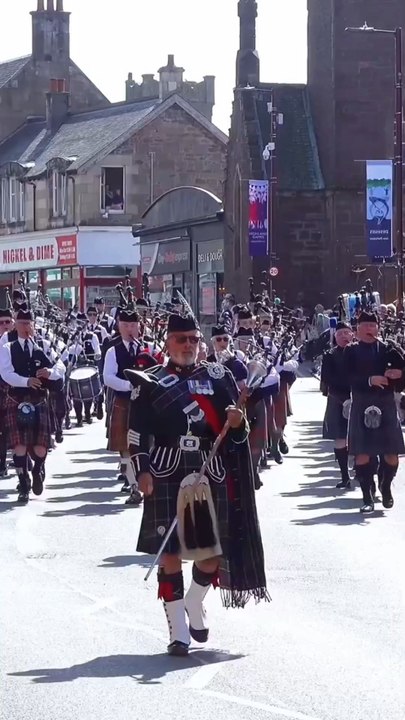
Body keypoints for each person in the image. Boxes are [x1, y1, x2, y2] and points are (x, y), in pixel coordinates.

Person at [126, 313, 269, 657]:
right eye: (181, 339)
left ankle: (194, 600)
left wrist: (237, 424)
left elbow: (238, 432)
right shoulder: (150, 381)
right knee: (170, 551)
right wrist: (141, 471)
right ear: (167, 343)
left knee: (209, 556)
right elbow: (135, 432)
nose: (188, 345)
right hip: (166, 468)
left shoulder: (219, 379)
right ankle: (178, 632)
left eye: (193, 339)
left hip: (209, 471)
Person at [0, 308, 65, 503]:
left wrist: (50, 373)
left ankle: (37, 470)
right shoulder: (7, 348)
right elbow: (5, 373)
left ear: (33, 325)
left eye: (28, 323)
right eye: (21, 323)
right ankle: (23, 483)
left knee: (40, 447)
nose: (25, 327)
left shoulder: (44, 346)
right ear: (15, 325)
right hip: (16, 399)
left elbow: (60, 364)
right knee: (19, 445)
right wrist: (26, 381)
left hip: (39, 400)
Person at [343, 311, 405, 513]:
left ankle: (385, 486)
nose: (370, 329)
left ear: (378, 327)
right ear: (357, 330)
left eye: (373, 325)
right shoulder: (350, 352)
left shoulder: (389, 349)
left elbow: (402, 370)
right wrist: (371, 380)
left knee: (392, 455)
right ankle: (367, 497)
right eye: (365, 326)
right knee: (362, 454)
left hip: (385, 403)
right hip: (362, 403)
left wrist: (399, 374)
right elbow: (346, 378)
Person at [104, 309, 157, 504]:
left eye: (133, 325)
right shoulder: (113, 350)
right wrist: (130, 385)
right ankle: (133, 486)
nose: (129, 329)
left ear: (139, 326)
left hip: (148, 402)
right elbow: (108, 377)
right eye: (125, 325)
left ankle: (147, 481)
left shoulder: (150, 347)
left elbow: (162, 367)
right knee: (125, 446)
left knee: (149, 443)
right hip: (125, 401)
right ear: (119, 326)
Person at [321, 321, 354, 488]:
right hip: (337, 399)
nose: (343, 336)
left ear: (352, 334)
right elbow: (327, 378)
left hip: (360, 398)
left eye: (346, 333)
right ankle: (345, 476)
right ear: (335, 337)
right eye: (340, 334)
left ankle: (364, 472)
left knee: (361, 437)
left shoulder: (358, 352)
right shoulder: (330, 355)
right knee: (340, 438)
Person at [68, 313, 101, 427]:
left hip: (88, 366)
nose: (81, 325)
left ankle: (87, 413)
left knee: (87, 392)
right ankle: (78, 418)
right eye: (79, 322)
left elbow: (98, 351)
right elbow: (68, 350)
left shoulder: (92, 336)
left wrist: (97, 355)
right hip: (76, 366)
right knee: (76, 394)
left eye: (83, 323)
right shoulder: (73, 336)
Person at [0, 308, 14, 477]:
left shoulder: (22, 342)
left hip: (17, 391)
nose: (4, 326)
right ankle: (2, 462)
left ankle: (24, 462)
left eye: (7, 322)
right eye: (1, 323)